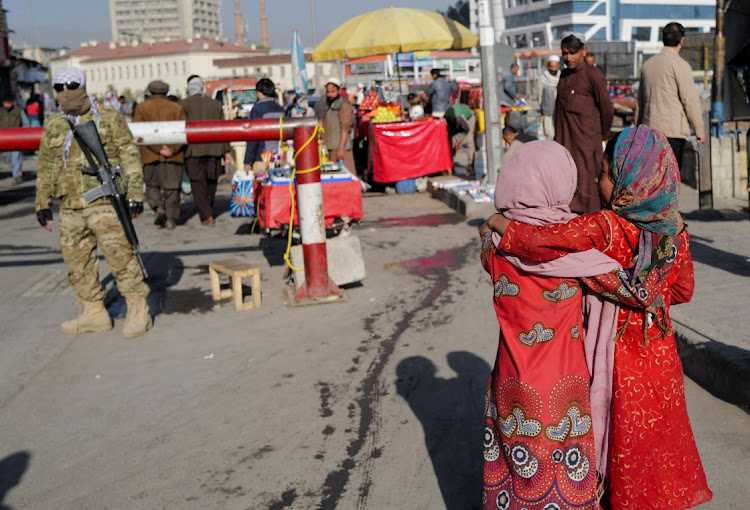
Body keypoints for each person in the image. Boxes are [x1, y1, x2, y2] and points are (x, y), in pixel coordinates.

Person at [483, 125, 713, 510]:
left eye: (605, 172)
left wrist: (499, 225)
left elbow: (544, 241)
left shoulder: (606, 227)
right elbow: (681, 292)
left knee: (619, 449)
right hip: (660, 360)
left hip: (620, 359)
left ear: (626, 181)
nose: (595, 179)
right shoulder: (674, 232)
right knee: (653, 451)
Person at [480, 140, 624, 509]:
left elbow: (508, 244)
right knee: (559, 482)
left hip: (509, 385)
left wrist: (498, 223)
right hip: (562, 393)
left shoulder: (493, 243)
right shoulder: (572, 250)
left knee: (516, 476)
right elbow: (629, 288)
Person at [35, 67, 151, 338]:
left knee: (121, 258)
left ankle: (137, 309)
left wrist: (134, 194)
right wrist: (42, 203)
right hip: (70, 206)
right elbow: (47, 165)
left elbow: (128, 153)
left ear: (83, 85)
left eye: (72, 85)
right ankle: (93, 312)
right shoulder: (54, 124)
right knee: (78, 263)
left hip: (105, 203)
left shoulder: (108, 116)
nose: (66, 91)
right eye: (60, 87)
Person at [554, 32, 614, 214]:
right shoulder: (563, 75)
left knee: (589, 191)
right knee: (565, 187)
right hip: (564, 143)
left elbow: (607, 109)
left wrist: (602, 137)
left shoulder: (593, 75)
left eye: (573, 52)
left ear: (583, 51)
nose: (568, 57)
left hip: (587, 145)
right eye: (565, 53)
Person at [637, 21, 705, 170]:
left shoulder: (648, 64)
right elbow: (690, 100)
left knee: (651, 179)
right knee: (669, 181)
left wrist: (637, 127)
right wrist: (699, 130)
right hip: (672, 132)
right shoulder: (680, 65)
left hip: (649, 131)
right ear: (682, 40)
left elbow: (640, 102)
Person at [179, 75, 233, 226]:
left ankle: (207, 214)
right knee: (211, 181)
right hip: (214, 149)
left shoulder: (183, 104)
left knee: (198, 183)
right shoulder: (215, 104)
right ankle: (208, 209)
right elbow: (223, 129)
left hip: (192, 150)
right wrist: (226, 151)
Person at [134, 79, 187, 230]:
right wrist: (172, 149)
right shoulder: (177, 108)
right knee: (172, 188)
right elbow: (182, 131)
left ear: (150, 93)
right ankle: (170, 219)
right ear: (166, 92)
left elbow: (139, 133)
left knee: (152, 186)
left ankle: (158, 208)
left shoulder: (142, 108)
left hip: (150, 155)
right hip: (173, 155)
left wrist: (158, 148)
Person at [243, 77, 285, 174]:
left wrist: (247, 160)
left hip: (261, 157)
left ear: (258, 92)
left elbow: (253, 136)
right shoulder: (280, 109)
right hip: (278, 156)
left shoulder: (257, 109)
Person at [314, 77, 355, 171]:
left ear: (339, 91)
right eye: (328, 92)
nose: (330, 94)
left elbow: (345, 129)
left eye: (333, 92)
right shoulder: (327, 105)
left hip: (341, 149)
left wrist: (341, 149)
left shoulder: (343, 105)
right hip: (329, 148)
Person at [0, 95, 27, 184]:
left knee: (16, 157)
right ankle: (18, 171)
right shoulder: (1, 112)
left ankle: (15, 176)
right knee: (9, 158)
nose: (7, 104)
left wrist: (23, 135)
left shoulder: (18, 111)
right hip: (5, 139)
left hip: (17, 139)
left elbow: (26, 124)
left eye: (9, 102)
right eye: (5, 103)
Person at [536, 56, 560, 140]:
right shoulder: (542, 78)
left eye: (555, 66)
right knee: (549, 132)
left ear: (558, 66)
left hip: (559, 111)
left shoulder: (561, 77)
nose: (553, 69)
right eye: (551, 66)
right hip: (547, 111)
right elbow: (539, 95)